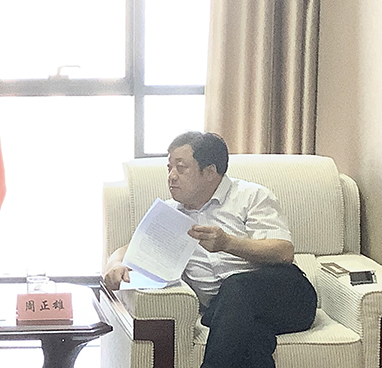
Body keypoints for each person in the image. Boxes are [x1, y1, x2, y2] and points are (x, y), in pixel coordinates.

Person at [103, 131, 316, 368]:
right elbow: (128, 249)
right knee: (253, 339)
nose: (171, 177)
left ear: (210, 172)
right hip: (225, 312)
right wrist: (114, 264)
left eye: (181, 168)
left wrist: (228, 243)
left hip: (286, 296)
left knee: (236, 288)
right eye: (169, 168)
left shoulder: (251, 196)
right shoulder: (171, 214)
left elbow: (283, 252)